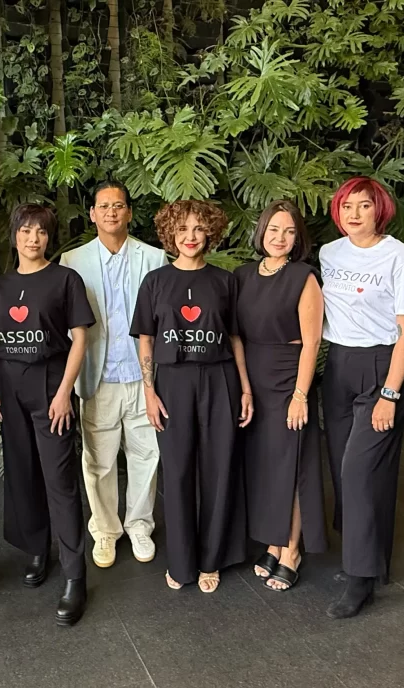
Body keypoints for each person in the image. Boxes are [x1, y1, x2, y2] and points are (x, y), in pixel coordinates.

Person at [130, 200, 253, 593]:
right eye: (182, 228)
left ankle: (212, 559)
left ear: (210, 233)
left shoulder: (224, 281)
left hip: (220, 379)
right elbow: (146, 340)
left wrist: (245, 388)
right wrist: (149, 392)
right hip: (172, 382)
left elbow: (235, 337)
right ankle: (181, 562)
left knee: (219, 470)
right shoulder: (155, 282)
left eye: (199, 228)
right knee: (178, 471)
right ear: (170, 233)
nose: (191, 236)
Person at [0, 203, 95, 626]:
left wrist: (65, 392)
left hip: (50, 385)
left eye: (41, 232)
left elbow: (79, 339)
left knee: (59, 481)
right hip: (9, 386)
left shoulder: (65, 279)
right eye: (26, 231)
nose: (33, 238)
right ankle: (36, 548)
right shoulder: (2, 285)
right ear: (14, 235)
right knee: (23, 473)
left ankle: (75, 575)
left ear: (49, 237)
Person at [319, 177, 404, 619]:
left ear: (379, 209)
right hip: (339, 364)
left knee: (360, 471)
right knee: (341, 468)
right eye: (347, 205)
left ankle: (360, 577)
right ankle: (365, 558)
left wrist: (390, 393)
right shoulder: (330, 253)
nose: (354, 213)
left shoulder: (402, 259)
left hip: (382, 366)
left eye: (364, 205)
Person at [59, 180, 166, 569]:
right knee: (98, 461)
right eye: (103, 206)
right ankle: (105, 529)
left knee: (146, 455)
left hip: (142, 376)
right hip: (97, 375)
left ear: (129, 212)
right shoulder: (72, 261)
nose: (111, 212)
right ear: (92, 213)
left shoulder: (153, 258)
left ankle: (139, 525)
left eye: (118, 205)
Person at [236, 200, 327, 592]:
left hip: (289, 377)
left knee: (291, 464)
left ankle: (291, 550)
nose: (280, 238)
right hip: (252, 378)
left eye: (289, 232)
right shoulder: (241, 275)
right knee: (265, 466)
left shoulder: (304, 277)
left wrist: (300, 394)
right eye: (274, 229)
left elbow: (312, 342)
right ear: (262, 231)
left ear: (298, 238)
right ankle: (273, 542)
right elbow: (235, 333)